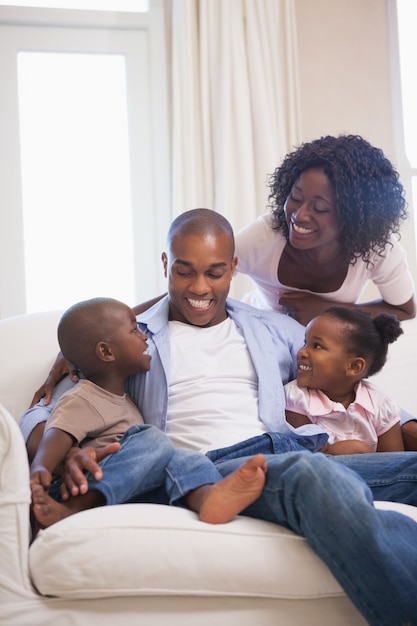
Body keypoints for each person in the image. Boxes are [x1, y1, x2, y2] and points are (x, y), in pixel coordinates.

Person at [20, 208, 417, 625]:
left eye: (214, 273)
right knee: (310, 475)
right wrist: (66, 455)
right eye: (184, 271)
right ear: (165, 265)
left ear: (234, 268)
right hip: (213, 469)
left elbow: (340, 376)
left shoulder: (272, 329)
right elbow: (48, 412)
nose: (199, 288)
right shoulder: (127, 338)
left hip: (288, 448)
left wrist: (405, 424)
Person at [30, 296, 268, 529]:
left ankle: (210, 496)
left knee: (184, 456)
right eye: (134, 331)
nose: (145, 336)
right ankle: (73, 511)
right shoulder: (85, 396)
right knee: (153, 440)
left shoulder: (127, 400)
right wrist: (41, 467)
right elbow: (58, 433)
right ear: (107, 353)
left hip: (126, 490)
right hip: (78, 488)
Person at [234, 134, 416, 326]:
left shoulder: (377, 249)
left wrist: (330, 312)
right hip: (260, 329)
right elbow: (207, 266)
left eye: (320, 208)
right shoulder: (265, 235)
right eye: (296, 197)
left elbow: (405, 309)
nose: (300, 215)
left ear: (351, 216)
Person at [285, 306, 405, 455]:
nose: (301, 352)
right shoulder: (296, 397)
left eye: (317, 346)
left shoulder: (381, 405)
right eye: (305, 342)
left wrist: (364, 453)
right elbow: (306, 456)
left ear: (354, 366)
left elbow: (397, 465)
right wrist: (346, 451)